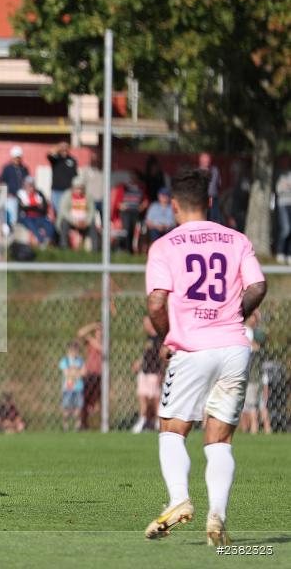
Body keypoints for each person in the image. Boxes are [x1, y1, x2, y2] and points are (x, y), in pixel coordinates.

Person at [143, 167, 267, 545]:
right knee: (219, 440)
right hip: (233, 346)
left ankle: (179, 499)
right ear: (210, 203)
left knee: (171, 430)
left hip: (193, 348)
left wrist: (167, 335)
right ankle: (217, 517)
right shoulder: (236, 239)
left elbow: (157, 300)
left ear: (175, 206)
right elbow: (258, 285)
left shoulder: (164, 246)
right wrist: (233, 317)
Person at [131, 316, 165, 434]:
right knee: (142, 397)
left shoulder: (160, 338)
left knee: (156, 399)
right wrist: (139, 363)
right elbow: (147, 355)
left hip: (154, 373)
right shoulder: (149, 338)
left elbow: (162, 357)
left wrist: (161, 373)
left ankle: (158, 422)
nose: (145, 325)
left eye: (147, 322)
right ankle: (142, 421)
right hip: (144, 372)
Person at [112, 172, 148, 253]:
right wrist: (120, 205)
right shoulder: (124, 188)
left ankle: (133, 248)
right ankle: (127, 249)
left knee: (136, 229)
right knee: (127, 228)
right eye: (132, 177)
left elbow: (146, 201)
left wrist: (142, 206)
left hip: (137, 211)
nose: (133, 179)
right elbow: (117, 203)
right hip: (125, 211)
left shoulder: (141, 188)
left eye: (135, 177)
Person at [76, 321, 103, 430]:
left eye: (101, 331)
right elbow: (80, 333)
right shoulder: (90, 341)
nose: (99, 333)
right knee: (85, 401)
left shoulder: (105, 342)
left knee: (96, 403)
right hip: (89, 375)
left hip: (99, 376)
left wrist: (91, 339)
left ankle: (99, 424)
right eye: (97, 331)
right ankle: (83, 424)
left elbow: (101, 349)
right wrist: (92, 325)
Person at [56, 177, 94, 250]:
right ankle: (64, 247)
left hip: (84, 221)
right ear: (73, 188)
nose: (79, 191)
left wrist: (87, 221)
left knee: (92, 225)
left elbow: (91, 211)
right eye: (77, 188)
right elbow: (64, 211)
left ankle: (95, 248)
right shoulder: (67, 195)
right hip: (71, 220)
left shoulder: (88, 196)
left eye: (81, 188)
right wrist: (74, 221)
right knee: (64, 223)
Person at [17, 176, 55, 247]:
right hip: (27, 217)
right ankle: (41, 241)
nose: (30, 187)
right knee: (31, 224)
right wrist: (36, 206)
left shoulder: (39, 194)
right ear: (25, 185)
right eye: (28, 185)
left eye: (32, 185)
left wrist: (29, 207)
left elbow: (44, 207)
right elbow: (22, 208)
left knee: (49, 224)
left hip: (39, 216)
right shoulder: (21, 194)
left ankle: (48, 239)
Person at [58, 340, 84, 432]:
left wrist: (75, 371)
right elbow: (67, 373)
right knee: (66, 407)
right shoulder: (65, 361)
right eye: (72, 350)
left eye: (76, 350)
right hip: (68, 388)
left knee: (78, 407)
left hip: (78, 388)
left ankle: (77, 426)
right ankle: (65, 425)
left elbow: (83, 372)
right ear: (69, 350)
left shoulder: (80, 360)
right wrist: (76, 371)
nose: (74, 352)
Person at [0, 146, 28, 227]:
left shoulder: (24, 169)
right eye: (15, 157)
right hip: (11, 197)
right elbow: (2, 182)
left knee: (21, 217)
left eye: (18, 157)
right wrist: (6, 193)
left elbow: (27, 182)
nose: (17, 159)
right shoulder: (7, 168)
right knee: (12, 218)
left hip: (22, 197)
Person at [47, 141, 77, 216]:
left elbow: (75, 176)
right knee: (58, 212)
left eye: (66, 146)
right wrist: (58, 147)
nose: (64, 148)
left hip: (68, 191)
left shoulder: (72, 160)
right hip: (56, 190)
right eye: (62, 147)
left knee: (67, 212)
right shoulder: (56, 158)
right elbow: (49, 154)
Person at [198, 152, 222, 224]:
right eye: (205, 160)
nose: (207, 161)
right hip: (202, 199)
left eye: (208, 159)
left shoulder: (215, 170)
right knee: (203, 219)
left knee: (214, 219)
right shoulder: (197, 172)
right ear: (200, 161)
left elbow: (219, 184)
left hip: (213, 198)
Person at [274, 165, 291, 264]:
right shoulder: (280, 174)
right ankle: (280, 252)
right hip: (283, 204)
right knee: (286, 228)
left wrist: (287, 186)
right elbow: (278, 190)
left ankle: (289, 254)